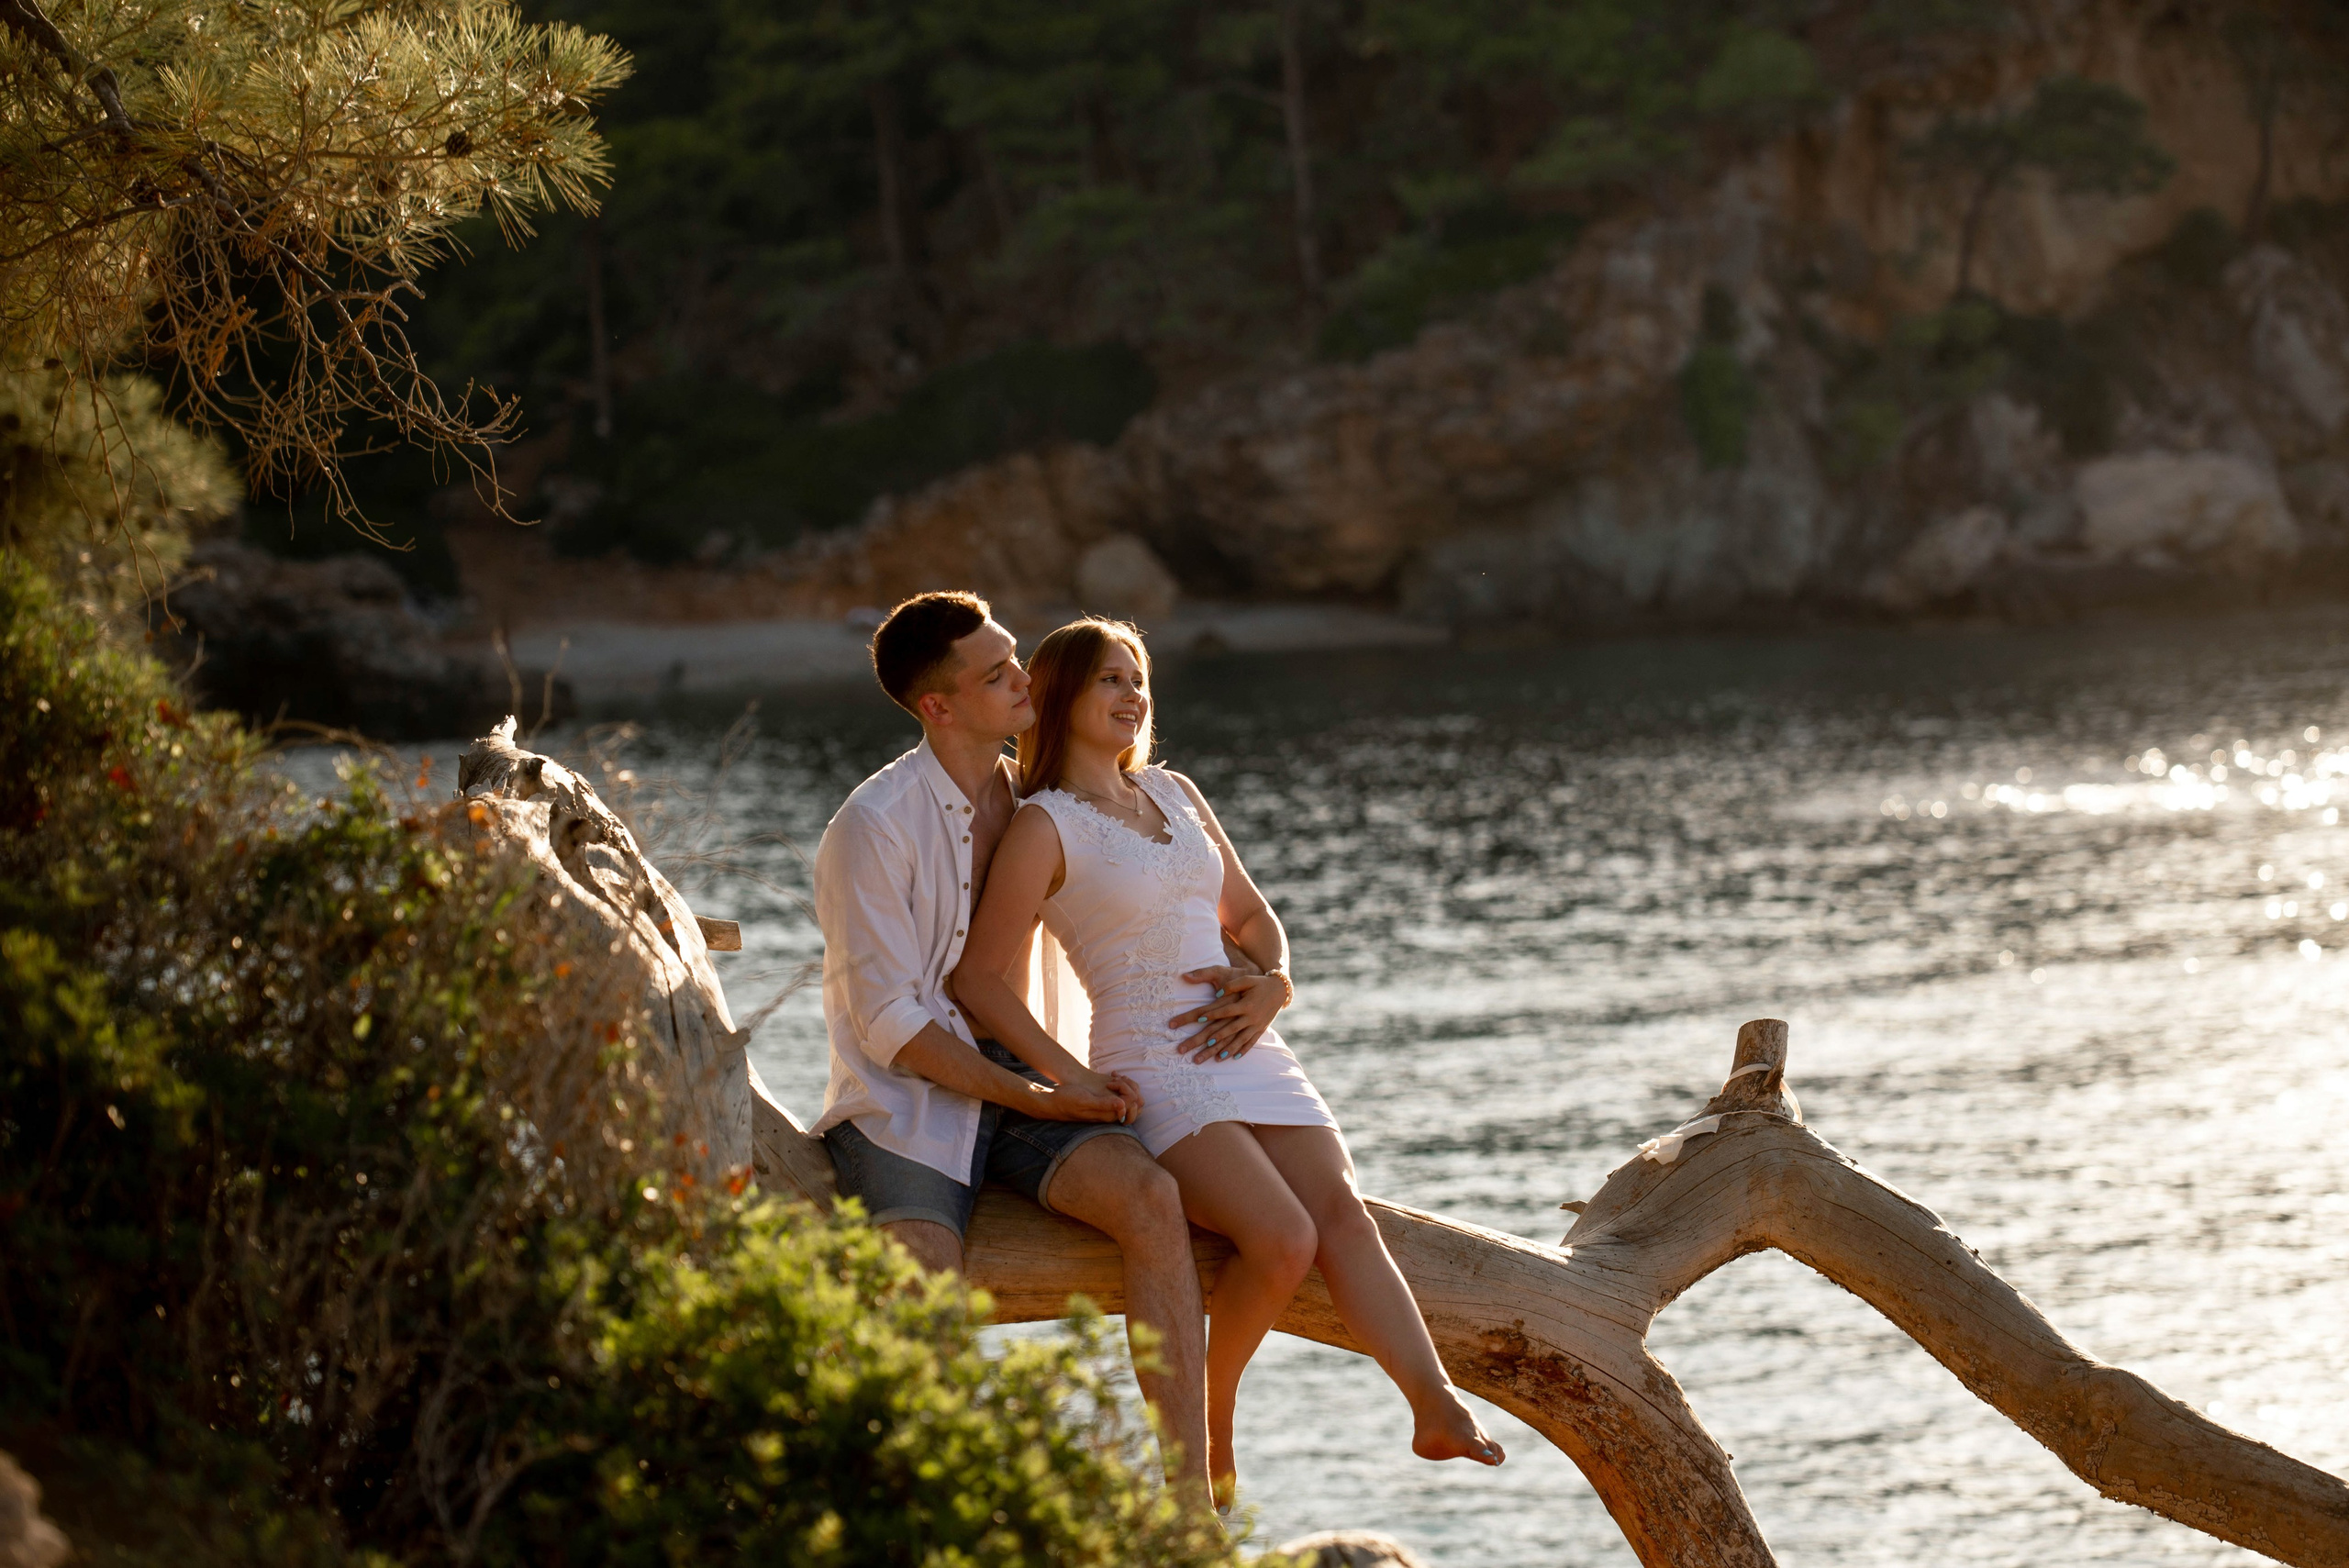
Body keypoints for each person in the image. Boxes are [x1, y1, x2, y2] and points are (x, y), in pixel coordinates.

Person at [951, 617, 1504, 1508]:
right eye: (1108, 680)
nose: (1132, 694)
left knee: (1341, 1213)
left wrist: (1275, 982)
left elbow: (1250, 918)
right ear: (1058, 697)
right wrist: (1069, 1077)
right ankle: (1212, 1415)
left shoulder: (1174, 791)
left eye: (1137, 678)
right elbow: (979, 978)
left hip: (1249, 1040)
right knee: (1282, 1237)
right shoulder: (1044, 825)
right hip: (1152, 1056)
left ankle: (1432, 1402)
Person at [810, 591, 1211, 1501]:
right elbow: (891, 1024)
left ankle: (1189, 1506)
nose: (1024, 678)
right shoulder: (870, 827)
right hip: (904, 1103)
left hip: (1034, 1081)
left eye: (1014, 656)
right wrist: (1038, 1096)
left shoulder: (1034, 795)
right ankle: (937, 1514)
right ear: (937, 706)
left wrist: (1239, 974)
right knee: (922, 1277)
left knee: (1153, 1198)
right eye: (995, 673)